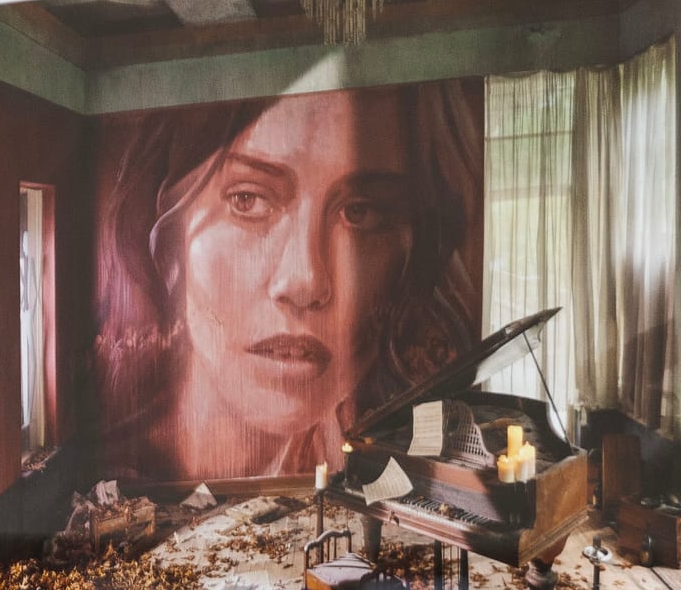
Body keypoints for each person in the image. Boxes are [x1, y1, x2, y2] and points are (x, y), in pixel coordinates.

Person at [96, 81, 479, 483]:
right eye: (248, 200)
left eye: (359, 212)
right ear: (169, 240)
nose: (306, 281)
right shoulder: (96, 486)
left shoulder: (387, 466)